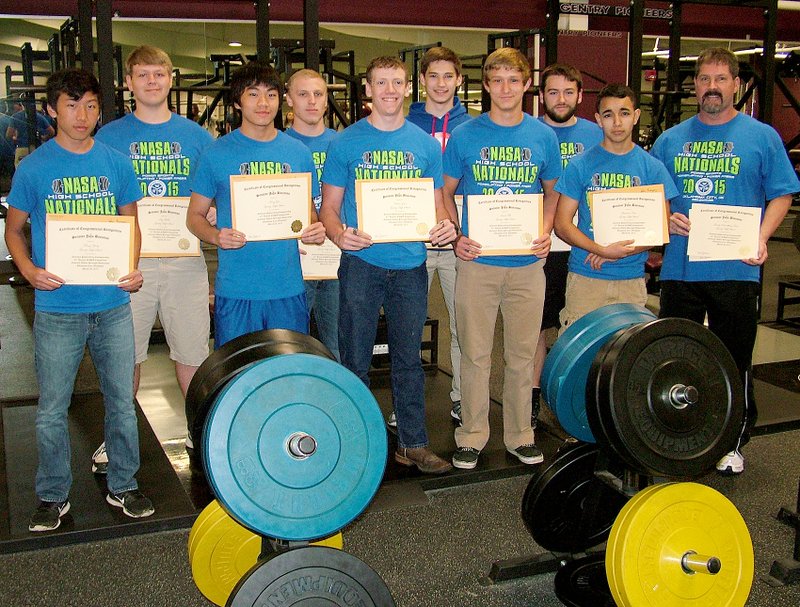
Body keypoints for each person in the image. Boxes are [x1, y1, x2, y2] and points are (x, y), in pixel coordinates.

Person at [4, 68, 154, 532]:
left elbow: (131, 225)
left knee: (121, 402)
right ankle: (52, 496)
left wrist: (132, 268)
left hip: (110, 303)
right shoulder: (33, 167)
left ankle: (124, 484)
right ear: (52, 110)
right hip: (57, 308)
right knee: (51, 408)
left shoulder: (116, 163)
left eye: (90, 105)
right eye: (71, 105)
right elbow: (13, 231)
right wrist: (29, 272)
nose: (82, 115)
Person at [651, 47, 800, 475]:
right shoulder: (670, 140)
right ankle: (680, 431)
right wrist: (665, 218)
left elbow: (782, 194)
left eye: (720, 79)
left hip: (736, 268)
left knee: (734, 358)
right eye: (704, 79)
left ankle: (732, 439)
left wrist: (762, 236)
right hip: (682, 269)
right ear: (694, 85)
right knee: (677, 355)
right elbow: (649, 197)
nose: (712, 87)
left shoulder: (763, 137)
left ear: (735, 84)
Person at [320, 56, 458, 475]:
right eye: (381, 83)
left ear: (406, 88)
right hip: (361, 262)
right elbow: (328, 209)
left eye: (397, 83)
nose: (390, 91)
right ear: (368, 89)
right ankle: (355, 443)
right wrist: (340, 234)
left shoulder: (424, 145)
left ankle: (413, 444)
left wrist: (445, 228)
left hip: (410, 266)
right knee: (355, 358)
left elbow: (437, 208)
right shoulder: (346, 142)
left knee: (407, 359)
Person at [93, 46, 214, 463]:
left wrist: (214, 211)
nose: (151, 82)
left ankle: (201, 433)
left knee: (193, 353)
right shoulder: (108, 137)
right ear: (128, 82)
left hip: (184, 260)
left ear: (170, 77)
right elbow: (100, 197)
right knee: (125, 356)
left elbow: (211, 193)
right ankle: (119, 440)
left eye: (158, 74)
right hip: (130, 264)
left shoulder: (197, 137)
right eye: (142, 75)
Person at [444, 47, 561, 470]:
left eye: (514, 80)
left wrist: (546, 229)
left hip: (527, 264)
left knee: (522, 353)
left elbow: (553, 191)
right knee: (475, 353)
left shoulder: (543, 136)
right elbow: (445, 191)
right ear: (486, 86)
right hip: (478, 262)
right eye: (497, 80)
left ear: (526, 85)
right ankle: (472, 436)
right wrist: (457, 235)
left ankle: (520, 435)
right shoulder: (466, 136)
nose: (505, 88)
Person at [187, 62, 325, 348]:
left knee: (287, 373)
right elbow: (194, 217)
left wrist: (314, 228)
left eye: (271, 95)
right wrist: (216, 236)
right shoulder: (216, 153)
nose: (263, 103)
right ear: (238, 102)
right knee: (238, 375)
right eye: (253, 94)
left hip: (287, 288)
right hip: (238, 290)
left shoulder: (298, 152)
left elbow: (308, 211)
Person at [554, 84, 678, 328]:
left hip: (630, 279)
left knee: (625, 358)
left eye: (624, 113)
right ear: (599, 120)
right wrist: (600, 249)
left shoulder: (652, 168)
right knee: (581, 356)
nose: (617, 122)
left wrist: (619, 252)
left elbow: (660, 225)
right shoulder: (580, 165)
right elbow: (562, 224)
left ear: (636, 116)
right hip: (586, 276)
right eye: (609, 115)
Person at [531, 63, 603, 427]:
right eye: (553, 92)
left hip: (581, 246)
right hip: (538, 244)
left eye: (568, 92)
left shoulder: (596, 135)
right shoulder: (527, 131)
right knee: (536, 328)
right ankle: (531, 401)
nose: (561, 99)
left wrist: (600, 243)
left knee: (576, 326)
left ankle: (571, 399)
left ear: (579, 95)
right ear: (542, 96)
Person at [406, 46, 472, 425]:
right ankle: (407, 403)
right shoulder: (404, 124)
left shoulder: (474, 127)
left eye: (449, 76)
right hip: (414, 239)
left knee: (463, 326)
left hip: (461, 241)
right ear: (423, 81)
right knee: (407, 326)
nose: (441, 83)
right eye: (434, 76)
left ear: (459, 80)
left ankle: (463, 397)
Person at [285, 68, 340, 361]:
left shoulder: (343, 143)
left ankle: (337, 405)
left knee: (338, 342)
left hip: (337, 257)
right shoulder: (278, 146)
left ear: (326, 99)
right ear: (288, 99)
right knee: (293, 342)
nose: (311, 101)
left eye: (318, 94)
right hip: (295, 260)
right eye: (302, 94)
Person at [6, 98, 55, 166]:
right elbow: (52, 132)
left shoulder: (15, 117)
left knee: (21, 171)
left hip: (21, 148)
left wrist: (15, 139)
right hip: (37, 148)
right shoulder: (38, 116)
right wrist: (44, 138)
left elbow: (9, 134)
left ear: (22, 104)